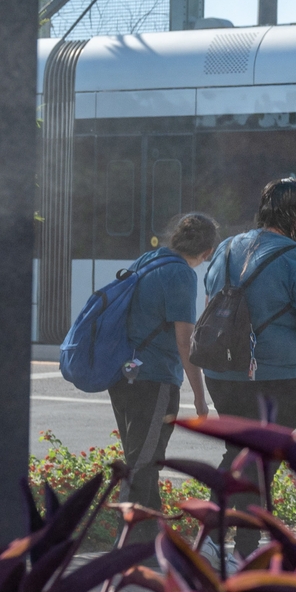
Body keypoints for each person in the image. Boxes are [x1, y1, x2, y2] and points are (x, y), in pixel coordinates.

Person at [203, 176, 296, 556]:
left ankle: (211, 535)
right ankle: (246, 547)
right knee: (263, 459)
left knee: (237, 452)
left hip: (221, 371)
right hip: (278, 375)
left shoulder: (225, 248)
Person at [108, 211, 218, 539]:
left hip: (124, 375)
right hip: (154, 380)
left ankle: (150, 538)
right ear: (207, 252)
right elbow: (186, 342)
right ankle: (125, 541)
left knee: (145, 457)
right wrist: (199, 395)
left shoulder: (149, 258)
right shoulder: (182, 275)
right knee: (142, 464)